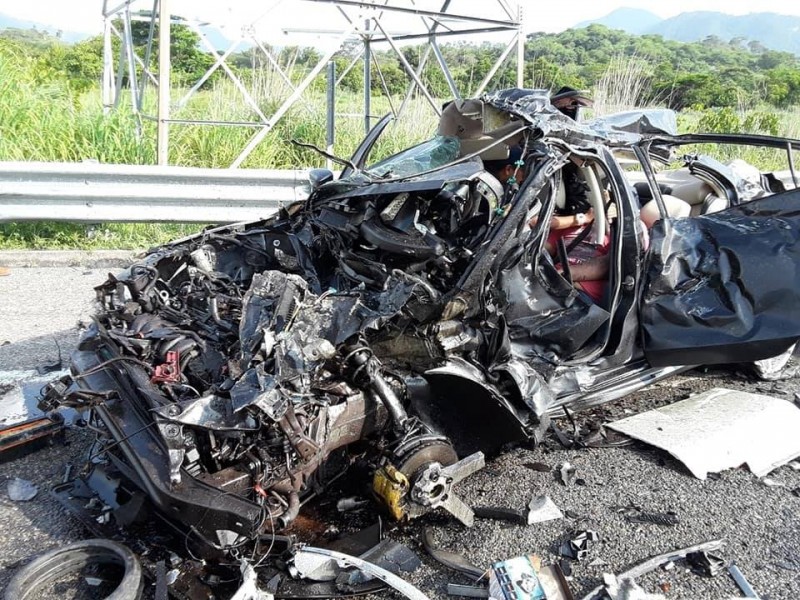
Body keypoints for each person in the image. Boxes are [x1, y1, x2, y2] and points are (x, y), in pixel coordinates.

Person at [530, 163, 610, 304]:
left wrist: (560, 276)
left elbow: (605, 265)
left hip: (581, 293)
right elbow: (539, 249)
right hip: (554, 287)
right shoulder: (565, 227)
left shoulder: (615, 231)